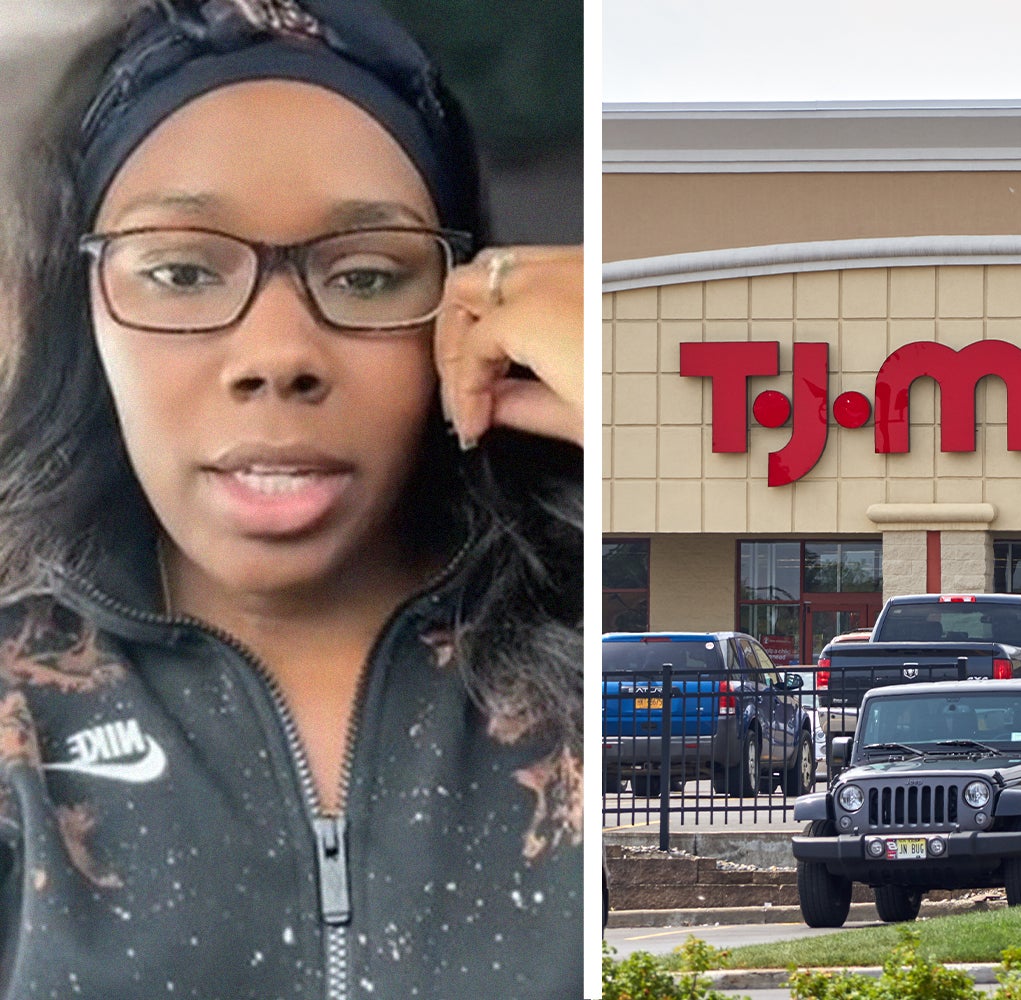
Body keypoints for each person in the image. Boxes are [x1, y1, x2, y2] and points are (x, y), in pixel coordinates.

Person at [0, 1, 584, 996]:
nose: (277, 356)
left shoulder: (599, 667)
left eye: (367, 276)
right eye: (181, 269)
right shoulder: (20, 711)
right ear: (81, 312)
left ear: (468, 314)